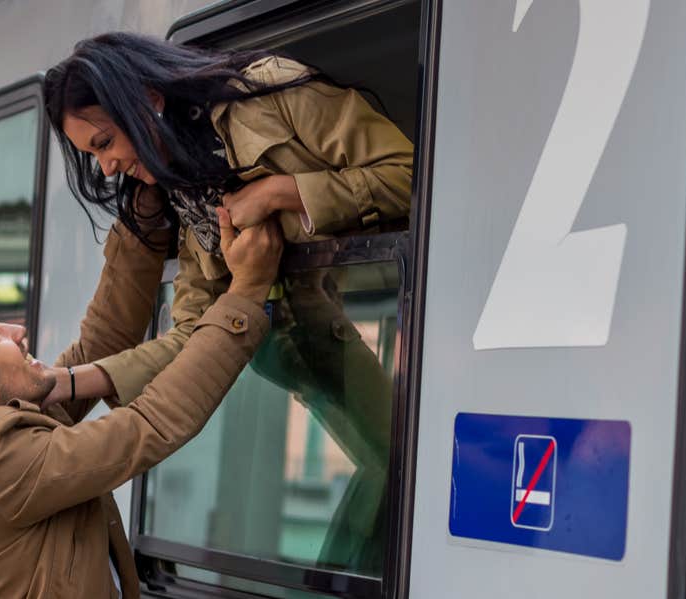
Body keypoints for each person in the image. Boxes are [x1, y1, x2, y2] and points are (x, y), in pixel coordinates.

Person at [42, 32, 411, 573]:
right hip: (288, 355)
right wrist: (66, 383)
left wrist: (283, 191)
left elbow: (412, 176)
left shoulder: (271, 94)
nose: (107, 169)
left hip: (324, 335)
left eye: (102, 144)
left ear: (148, 100)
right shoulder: (184, 186)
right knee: (389, 464)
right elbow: (191, 337)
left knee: (394, 465)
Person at [0, 210, 282, 599]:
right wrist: (245, 294)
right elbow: (148, 427)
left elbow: (100, 344)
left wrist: (143, 221)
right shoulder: (2, 462)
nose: (17, 330)